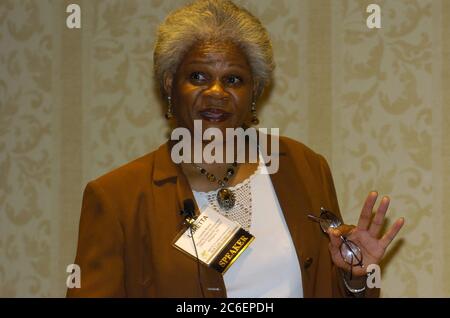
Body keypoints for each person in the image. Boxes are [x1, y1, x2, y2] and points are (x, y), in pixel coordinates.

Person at [67, 0, 404, 298]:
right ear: (170, 83)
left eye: (233, 80)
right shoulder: (117, 198)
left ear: (254, 90)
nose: (216, 92)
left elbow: (329, 289)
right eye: (198, 76)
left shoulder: (302, 166)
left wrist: (354, 276)